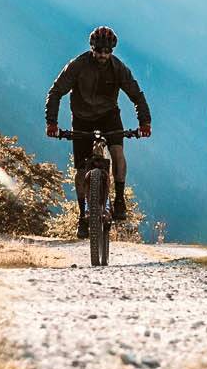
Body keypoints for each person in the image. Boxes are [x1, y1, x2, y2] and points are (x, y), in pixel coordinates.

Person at [45, 26, 153, 237]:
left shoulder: (118, 68)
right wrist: (52, 123)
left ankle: (119, 200)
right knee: (80, 170)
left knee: (117, 152)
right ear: (92, 48)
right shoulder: (77, 66)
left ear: (112, 50)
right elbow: (56, 92)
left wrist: (145, 123)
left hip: (108, 115)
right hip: (81, 117)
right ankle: (82, 216)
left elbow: (136, 95)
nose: (103, 55)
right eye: (99, 50)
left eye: (107, 51)